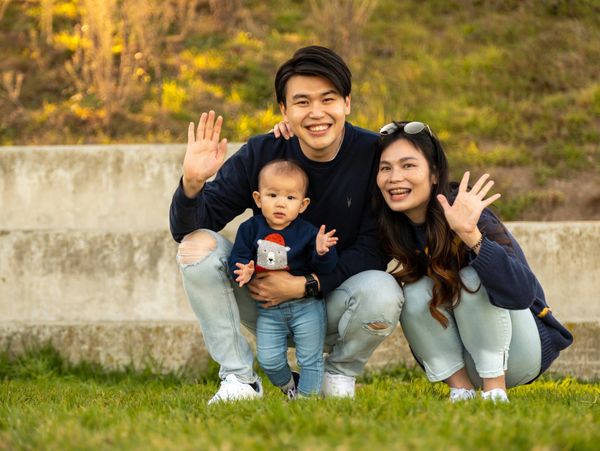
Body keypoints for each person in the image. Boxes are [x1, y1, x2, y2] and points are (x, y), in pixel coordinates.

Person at [169, 46, 404, 404]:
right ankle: (239, 379)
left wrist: (305, 285)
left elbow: (374, 250)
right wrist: (192, 182)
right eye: (302, 103)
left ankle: (338, 375)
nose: (316, 113)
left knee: (384, 289)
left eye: (328, 99)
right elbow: (190, 227)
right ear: (284, 110)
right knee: (196, 247)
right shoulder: (264, 152)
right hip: (264, 299)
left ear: (347, 103)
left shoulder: (374, 155)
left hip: (334, 300)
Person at [373, 120, 573, 402]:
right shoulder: (390, 225)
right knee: (414, 290)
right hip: (463, 358)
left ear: (434, 174)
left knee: (469, 278)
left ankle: (494, 392)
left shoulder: (465, 211)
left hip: (519, 353)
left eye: (408, 166)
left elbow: (522, 294)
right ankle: (461, 390)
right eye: (386, 168)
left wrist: (471, 235)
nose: (394, 177)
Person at [229, 159, 338, 398]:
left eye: (290, 198)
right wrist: (244, 271)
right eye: (272, 195)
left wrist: (321, 252)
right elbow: (237, 257)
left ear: (302, 204)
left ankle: (307, 404)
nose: (281, 203)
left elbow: (327, 268)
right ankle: (291, 387)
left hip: (307, 306)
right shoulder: (250, 229)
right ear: (258, 199)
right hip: (269, 309)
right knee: (269, 359)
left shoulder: (308, 233)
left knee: (310, 357)